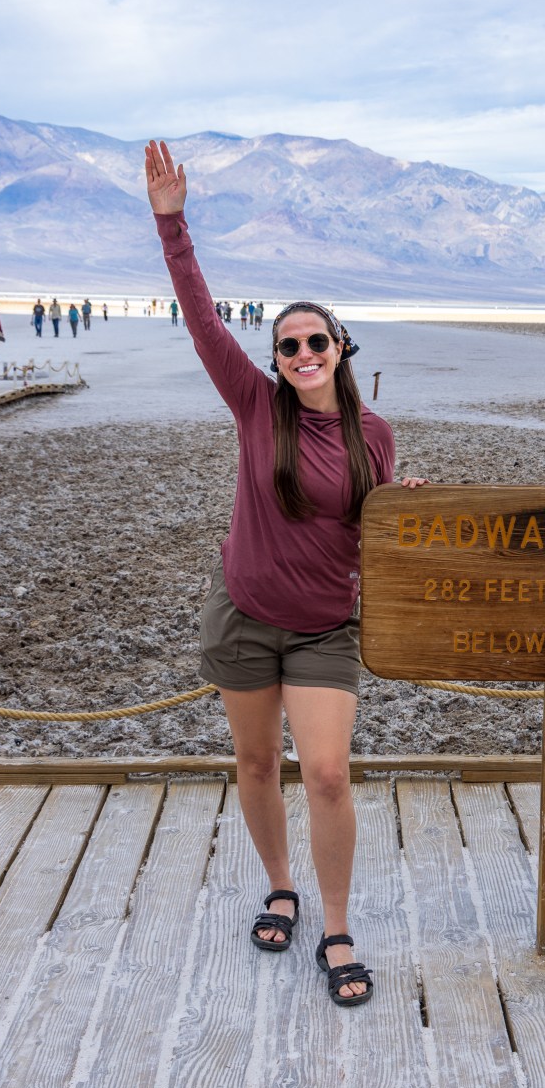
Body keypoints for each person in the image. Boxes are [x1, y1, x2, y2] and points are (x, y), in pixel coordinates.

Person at [144, 138, 426, 1005]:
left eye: (316, 339)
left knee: (330, 773)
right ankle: (279, 886)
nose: (302, 352)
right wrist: (171, 223)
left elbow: (366, 521)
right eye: (288, 344)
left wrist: (403, 505)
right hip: (243, 613)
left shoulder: (370, 433)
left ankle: (336, 927)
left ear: (340, 346)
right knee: (258, 763)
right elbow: (199, 317)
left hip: (322, 627)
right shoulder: (252, 402)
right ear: (275, 359)